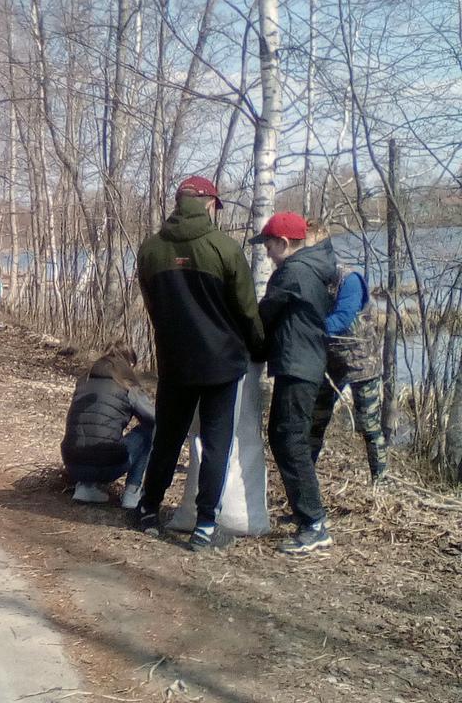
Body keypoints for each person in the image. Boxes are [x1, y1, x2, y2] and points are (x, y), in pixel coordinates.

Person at [134, 176, 265, 553]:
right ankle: (205, 526)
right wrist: (258, 347)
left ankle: (148, 510)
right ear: (208, 204)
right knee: (215, 443)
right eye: (215, 206)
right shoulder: (224, 248)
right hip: (221, 365)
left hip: (175, 362)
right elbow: (246, 309)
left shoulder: (150, 249)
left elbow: (152, 303)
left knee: (168, 438)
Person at [252, 211, 338, 555]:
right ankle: (310, 515)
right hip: (305, 362)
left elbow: (263, 316)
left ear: (284, 243)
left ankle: (313, 523)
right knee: (286, 437)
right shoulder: (314, 268)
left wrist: (248, 345)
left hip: (298, 365)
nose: (267, 253)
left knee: (290, 440)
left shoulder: (293, 273)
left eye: (269, 245)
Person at [308, 227, 387, 484]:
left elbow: (343, 317)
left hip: (361, 362)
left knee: (370, 426)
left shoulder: (349, 278)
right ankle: (304, 483)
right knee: (314, 423)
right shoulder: (311, 276)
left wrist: (308, 331)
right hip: (327, 362)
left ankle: (381, 483)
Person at [61, 341, 155, 508]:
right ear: (130, 363)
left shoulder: (84, 381)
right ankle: (132, 492)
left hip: (72, 463)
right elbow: (154, 419)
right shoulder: (127, 385)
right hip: (109, 466)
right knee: (148, 430)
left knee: (87, 431)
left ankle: (85, 486)